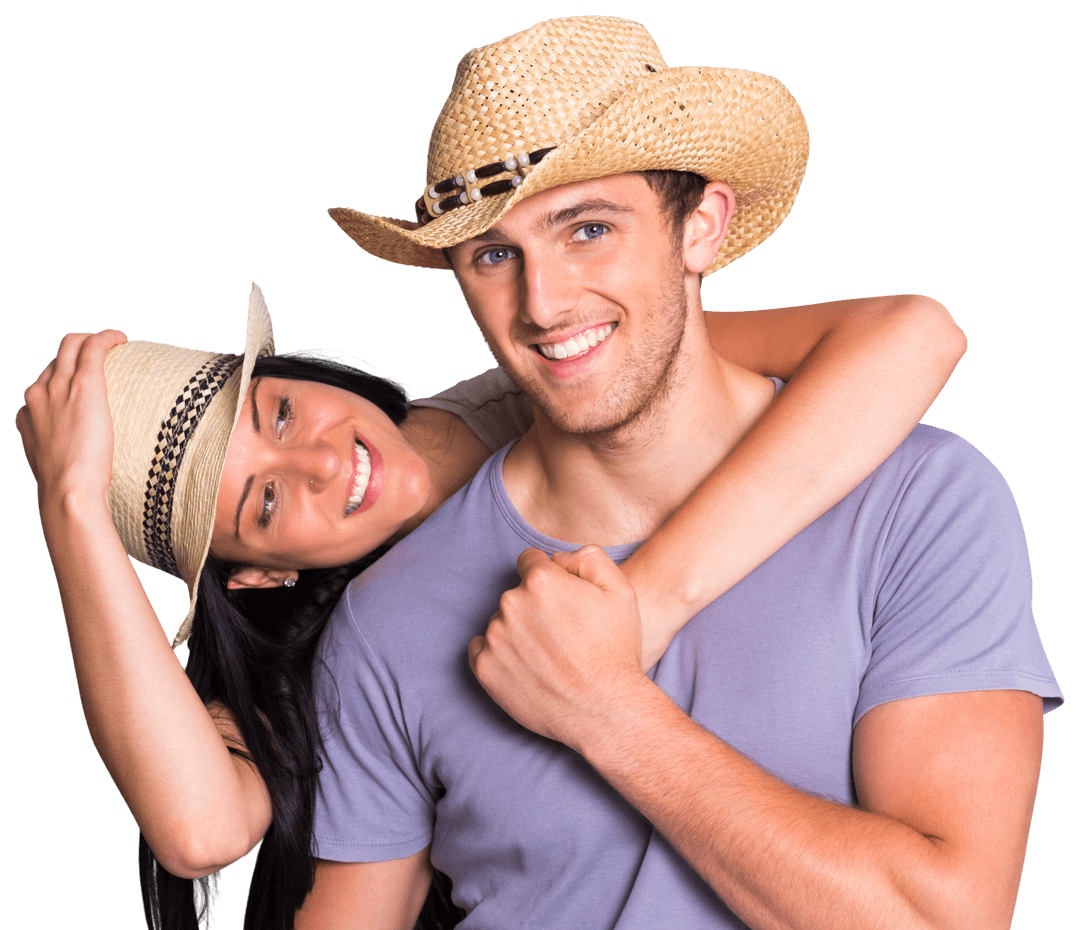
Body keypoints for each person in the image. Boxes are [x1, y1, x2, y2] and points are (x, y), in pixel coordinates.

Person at [301, 15, 1063, 930]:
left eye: (587, 229)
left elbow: (948, 920)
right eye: (494, 256)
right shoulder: (393, 613)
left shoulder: (922, 504)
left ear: (701, 225)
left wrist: (607, 713)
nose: (543, 304)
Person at [19, 266, 962, 930]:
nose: (321, 464)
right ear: (260, 575)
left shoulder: (531, 395)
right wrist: (72, 511)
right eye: (264, 502)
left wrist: (633, 620)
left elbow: (914, 333)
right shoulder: (324, 644)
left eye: (280, 412)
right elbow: (200, 831)